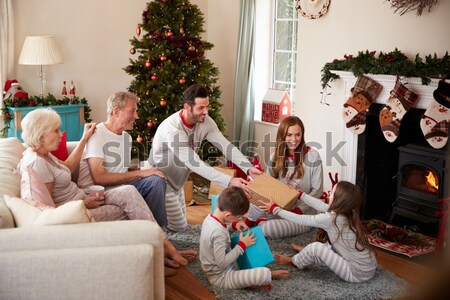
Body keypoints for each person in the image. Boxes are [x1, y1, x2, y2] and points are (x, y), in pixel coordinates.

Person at [18, 108, 194, 276]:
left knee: (129, 192)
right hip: (77, 213)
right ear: (41, 135)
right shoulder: (36, 163)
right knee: (133, 211)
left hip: (85, 200)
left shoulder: (44, 155)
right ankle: (159, 255)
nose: (61, 134)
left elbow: (69, 167)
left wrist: (84, 138)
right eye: (56, 131)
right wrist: (82, 204)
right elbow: (46, 210)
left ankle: (164, 248)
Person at [150, 84, 262, 232]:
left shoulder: (205, 121)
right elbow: (195, 163)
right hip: (161, 182)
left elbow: (226, 146)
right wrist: (229, 181)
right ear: (187, 107)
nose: (206, 112)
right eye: (201, 108)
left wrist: (248, 168)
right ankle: (152, 227)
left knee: (182, 226)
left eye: (207, 106)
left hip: (178, 183)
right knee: (178, 227)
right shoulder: (172, 130)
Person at [79, 91, 168, 227]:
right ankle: (154, 232)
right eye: (132, 111)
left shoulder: (126, 137)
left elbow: (122, 170)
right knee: (152, 180)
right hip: (103, 191)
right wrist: (140, 173)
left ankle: (157, 230)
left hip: (123, 187)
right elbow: (99, 177)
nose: (136, 116)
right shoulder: (97, 134)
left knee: (156, 180)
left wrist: (144, 170)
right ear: (116, 111)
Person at [259, 181, 377, 283]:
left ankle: (294, 261)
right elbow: (321, 205)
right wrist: (301, 195)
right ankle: (306, 252)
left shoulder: (331, 218)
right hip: (369, 268)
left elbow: (300, 219)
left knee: (317, 248)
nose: (329, 193)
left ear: (339, 200)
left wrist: (275, 209)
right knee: (328, 246)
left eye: (332, 193)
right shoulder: (347, 213)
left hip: (355, 274)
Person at [247, 116, 324, 239]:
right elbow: (267, 188)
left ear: (302, 135)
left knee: (267, 229)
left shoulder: (313, 156)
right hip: (277, 208)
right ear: (282, 136)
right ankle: (248, 222)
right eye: (289, 135)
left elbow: (317, 191)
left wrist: (298, 211)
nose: (294, 139)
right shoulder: (274, 157)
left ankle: (261, 224)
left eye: (298, 135)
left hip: (302, 216)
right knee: (256, 200)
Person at [199, 186, 289, 290]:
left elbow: (217, 238)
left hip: (227, 264)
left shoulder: (210, 218)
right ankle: (263, 278)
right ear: (228, 215)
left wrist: (233, 226)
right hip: (220, 277)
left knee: (249, 258)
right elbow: (221, 263)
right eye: (238, 217)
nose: (240, 219)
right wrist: (242, 245)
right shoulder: (218, 232)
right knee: (263, 273)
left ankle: (247, 280)